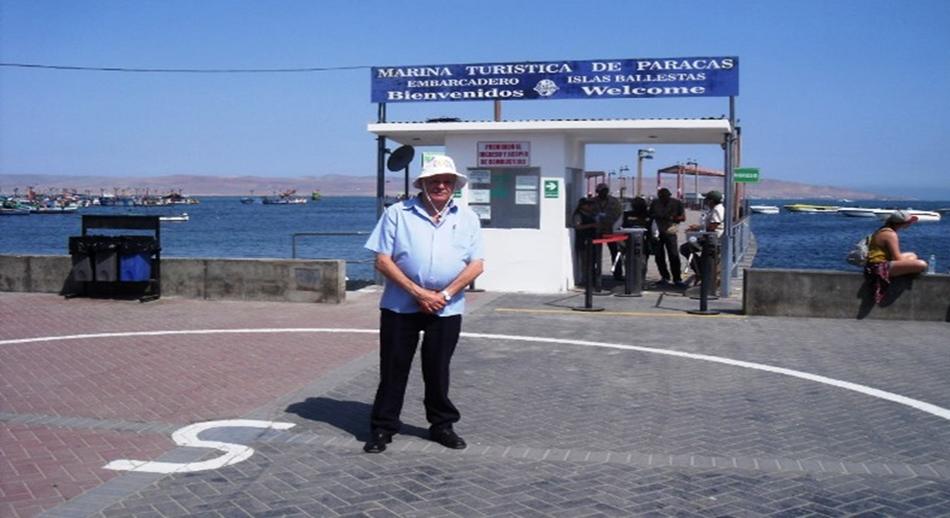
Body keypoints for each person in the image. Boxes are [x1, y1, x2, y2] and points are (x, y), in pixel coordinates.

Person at [362, 155, 485, 454]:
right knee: (393, 367)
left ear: (455, 185)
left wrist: (442, 295)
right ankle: (383, 427)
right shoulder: (397, 213)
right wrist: (418, 293)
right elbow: (382, 260)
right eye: (434, 181)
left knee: (437, 368)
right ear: (423, 184)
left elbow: (476, 265)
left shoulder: (468, 218)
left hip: (447, 307)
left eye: (446, 181)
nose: (440, 186)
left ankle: (442, 425)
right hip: (399, 306)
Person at [865, 210, 928, 303]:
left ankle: (906, 270)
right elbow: (897, 258)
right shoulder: (890, 234)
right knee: (922, 264)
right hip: (879, 267)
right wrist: (910, 263)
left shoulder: (883, 229)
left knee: (912, 255)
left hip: (874, 264)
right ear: (903, 223)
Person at [680, 190, 725, 285]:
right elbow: (709, 225)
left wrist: (698, 234)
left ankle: (701, 272)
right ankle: (702, 272)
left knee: (685, 248)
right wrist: (697, 228)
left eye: (707, 200)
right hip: (710, 237)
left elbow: (713, 226)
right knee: (688, 248)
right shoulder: (715, 209)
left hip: (712, 239)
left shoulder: (718, 209)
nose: (706, 202)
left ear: (711, 201)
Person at [648, 187, 686, 288]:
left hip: (670, 232)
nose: (663, 198)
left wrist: (672, 218)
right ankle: (665, 277)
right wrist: (655, 217)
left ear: (669, 195)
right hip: (657, 233)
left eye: (665, 196)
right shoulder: (655, 203)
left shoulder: (677, 203)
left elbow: (683, 217)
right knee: (659, 256)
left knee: (673, 255)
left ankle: (677, 279)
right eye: (661, 197)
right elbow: (650, 215)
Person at [592, 183, 623, 280]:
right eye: (602, 191)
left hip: (610, 230)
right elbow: (589, 213)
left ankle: (618, 274)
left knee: (615, 252)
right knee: (595, 254)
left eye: (605, 190)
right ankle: (594, 275)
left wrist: (610, 221)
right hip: (597, 230)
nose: (604, 192)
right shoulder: (592, 201)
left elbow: (618, 213)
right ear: (598, 192)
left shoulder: (614, 201)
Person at [620, 196, 653, 285]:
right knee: (628, 260)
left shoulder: (648, 215)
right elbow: (622, 227)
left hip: (644, 241)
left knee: (642, 261)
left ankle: (640, 280)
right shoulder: (627, 214)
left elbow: (652, 229)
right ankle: (630, 279)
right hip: (629, 241)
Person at [572, 197, 598, 287]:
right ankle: (585, 280)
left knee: (592, 261)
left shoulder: (591, 214)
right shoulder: (578, 215)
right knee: (585, 262)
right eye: (588, 205)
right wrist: (591, 225)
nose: (590, 206)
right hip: (583, 240)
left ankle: (593, 278)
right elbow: (577, 226)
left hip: (592, 240)